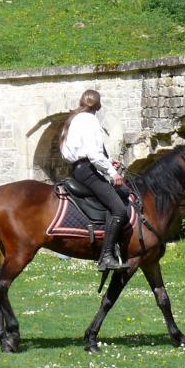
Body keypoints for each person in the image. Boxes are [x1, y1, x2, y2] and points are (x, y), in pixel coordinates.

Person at [61, 88, 128, 271]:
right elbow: (93, 154)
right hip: (88, 171)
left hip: (79, 169)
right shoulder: (90, 120)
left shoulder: (74, 119)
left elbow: (77, 152)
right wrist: (113, 173)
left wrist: (108, 161)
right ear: (98, 106)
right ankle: (106, 256)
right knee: (119, 209)